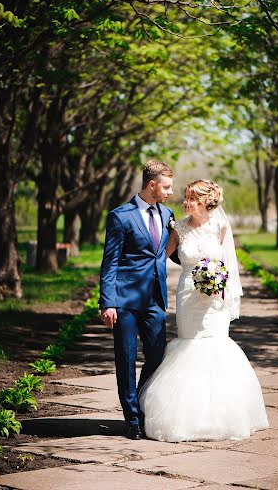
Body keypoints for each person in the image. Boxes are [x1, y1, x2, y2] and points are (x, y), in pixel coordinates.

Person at [139, 179, 269, 442]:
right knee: (190, 345)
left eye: (191, 198)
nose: (186, 202)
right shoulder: (179, 228)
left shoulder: (220, 227)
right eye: (186, 197)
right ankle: (184, 417)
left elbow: (229, 265)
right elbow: (158, 257)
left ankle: (220, 416)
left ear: (205, 201)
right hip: (188, 295)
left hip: (215, 300)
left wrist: (223, 288)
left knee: (216, 345)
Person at [99, 159, 175, 440]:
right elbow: (110, 262)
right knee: (126, 359)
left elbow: (173, 250)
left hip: (155, 299)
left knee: (157, 356)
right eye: (166, 187)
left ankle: (141, 402)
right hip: (125, 301)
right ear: (152, 184)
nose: (169, 192)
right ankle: (132, 418)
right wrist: (107, 302)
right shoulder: (120, 216)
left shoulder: (168, 213)